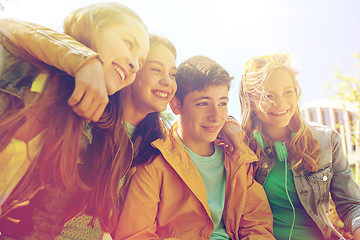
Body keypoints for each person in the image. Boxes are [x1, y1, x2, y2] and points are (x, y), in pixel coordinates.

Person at [0, 2, 149, 238]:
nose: (134, 64)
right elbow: (5, 28)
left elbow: (43, 224)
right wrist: (83, 60)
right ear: (93, 28)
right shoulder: (16, 66)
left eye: (140, 61)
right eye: (129, 43)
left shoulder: (83, 134)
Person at [114, 55, 274, 240]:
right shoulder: (153, 163)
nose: (215, 116)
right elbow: (135, 234)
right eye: (203, 104)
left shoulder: (238, 156)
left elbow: (257, 226)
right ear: (176, 105)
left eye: (222, 103)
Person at [239, 53, 360, 240]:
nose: (280, 104)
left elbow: (351, 204)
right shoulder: (239, 148)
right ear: (249, 101)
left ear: (297, 91)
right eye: (268, 95)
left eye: (287, 91)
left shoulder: (327, 141)